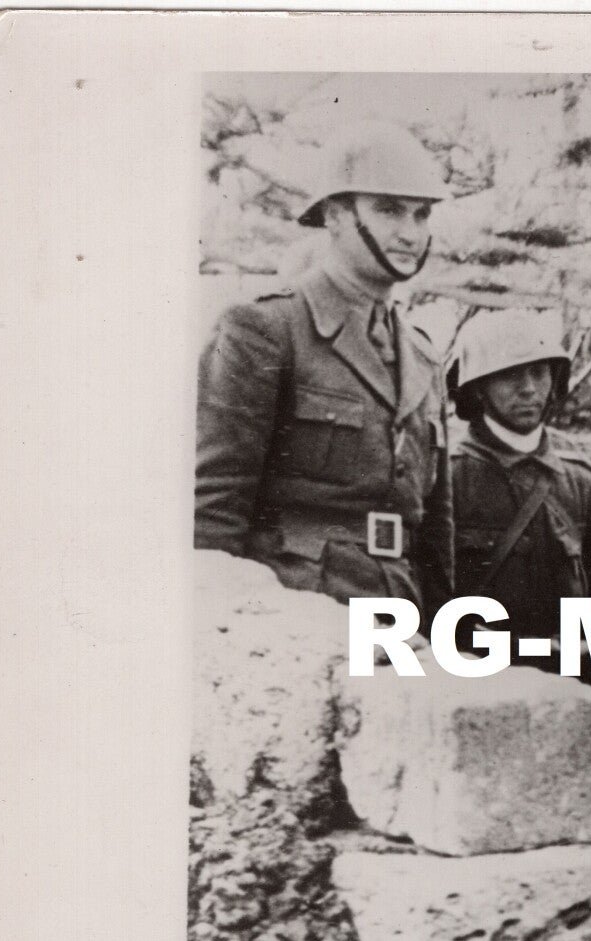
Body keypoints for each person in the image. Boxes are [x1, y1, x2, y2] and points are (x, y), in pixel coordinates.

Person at [195, 120, 454, 613]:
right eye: (389, 210)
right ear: (335, 216)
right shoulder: (264, 328)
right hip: (297, 613)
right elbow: (212, 513)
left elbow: (433, 533)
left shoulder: (422, 356)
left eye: (422, 215)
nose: (410, 233)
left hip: (400, 613)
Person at [445, 308, 591, 766]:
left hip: (571, 699)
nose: (529, 388)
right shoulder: (447, 481)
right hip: (479, 698)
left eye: (539, 372)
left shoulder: (582, 485)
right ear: (476, 388)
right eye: (509, 376)